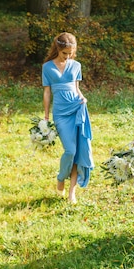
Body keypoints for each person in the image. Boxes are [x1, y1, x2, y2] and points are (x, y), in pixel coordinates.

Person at [42, 32, 94, 203]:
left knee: (78, 151)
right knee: (69, 150)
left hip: (76, 108)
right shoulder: (47, 67)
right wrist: (46, 116)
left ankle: (72, 191)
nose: (68, 56)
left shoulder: (76, 65)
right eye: (65, 53)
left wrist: (82, 97)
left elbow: (76, 88)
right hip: (60, 113)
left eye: (71, 53)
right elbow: (47, 92)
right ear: (58, 49)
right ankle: (60, 177)